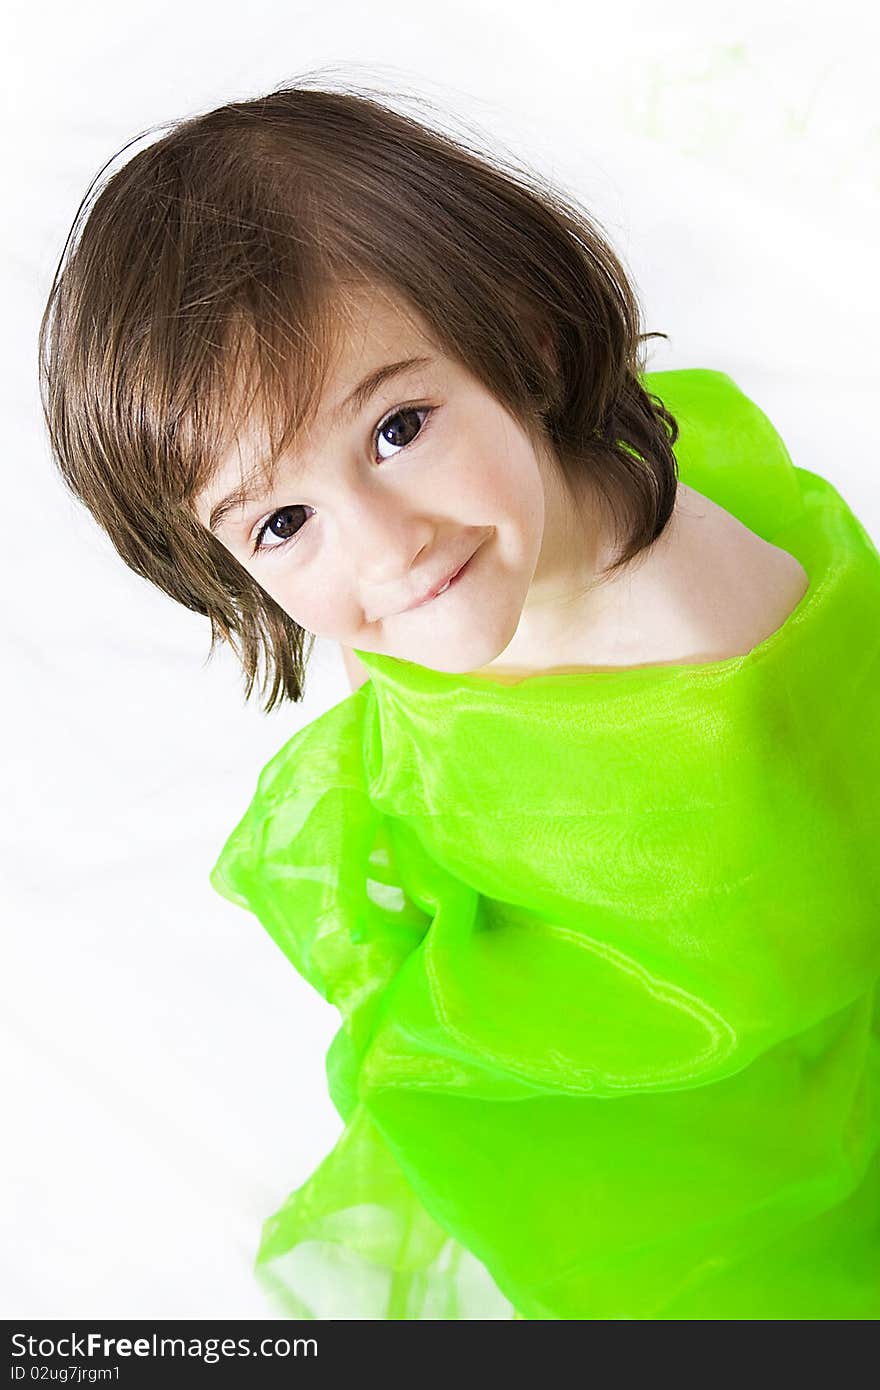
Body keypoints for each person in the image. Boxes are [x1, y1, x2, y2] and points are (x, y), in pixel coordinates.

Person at [38, 82, 880, 1320]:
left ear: (527, 336)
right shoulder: (472, 550)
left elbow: (778, 971)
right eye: (283, 520)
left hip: (727, 1026)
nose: (383, 548)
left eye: (397, 427)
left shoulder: (695, 682)